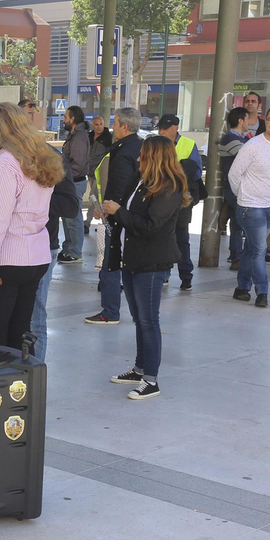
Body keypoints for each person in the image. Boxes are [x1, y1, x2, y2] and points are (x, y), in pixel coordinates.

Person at [0, 102, 57, 353]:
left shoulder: (5, 163)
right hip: (34, 259)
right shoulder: (41, 158)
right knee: (19, 337)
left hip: (5, 262)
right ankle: (21, 390)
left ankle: (1, 391)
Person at [102, 135, 190, 401]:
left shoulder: (169, 187)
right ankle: (140, 368)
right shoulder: (141, 181)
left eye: (144, 154)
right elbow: (128, 214)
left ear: (156, 157)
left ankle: (151, 379)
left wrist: (118, 211)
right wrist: (110, 212)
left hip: (151, 261)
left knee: (149, 320)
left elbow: (150, 226)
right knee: (139, 318)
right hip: (132, 258)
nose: (139, 158)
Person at [227, 103, 270, 308]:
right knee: (259, 250)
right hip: (250, 207)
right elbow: (234, 174)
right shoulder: (252, 145)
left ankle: (242, 288)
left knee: (251, 250)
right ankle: (262, 290)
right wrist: (244, 196)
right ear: (266, 120)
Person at [85, 106, 143, 326]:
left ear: (124, 126)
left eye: (115, 123)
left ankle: (110, 311)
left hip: (119, 215)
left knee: (110, 262)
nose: (113, 127)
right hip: (134, 212)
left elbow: (118, 185)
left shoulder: (122, 151)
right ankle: (134, 312)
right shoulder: (140, 146)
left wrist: (109, 210)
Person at [155, 113, 202, 287]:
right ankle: (164, 274)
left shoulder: (188, 144)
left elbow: (196, 173)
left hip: (181, 199)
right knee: (162, 237)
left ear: (176, 127)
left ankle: (186, 276)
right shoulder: (157, 144)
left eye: (165, 128)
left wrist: (176, 172)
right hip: (160, 198)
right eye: (160, 128)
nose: (162, 131)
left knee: (181, 238)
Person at [57, 105, 95, 264]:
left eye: (66, 117)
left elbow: (77, 164)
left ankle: (74, 252)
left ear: (73, 119)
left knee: (73, 218)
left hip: (74, 182)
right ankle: (69, 249)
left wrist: (63, 178)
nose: (64, 120)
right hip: (71, 181)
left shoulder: (79, 137)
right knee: (67, 218)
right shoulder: (75, 135)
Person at [216, 107, 251, 270]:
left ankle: (236, 255)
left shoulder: (242, 138)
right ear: (240, 121)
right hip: (234, 188)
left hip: (240, 188)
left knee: (237, 223)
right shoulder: (231, 138)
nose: (250, 122)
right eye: (248, 118)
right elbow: (247, 159)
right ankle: (236, 257)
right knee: (238, 224)